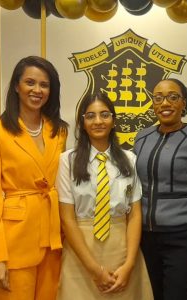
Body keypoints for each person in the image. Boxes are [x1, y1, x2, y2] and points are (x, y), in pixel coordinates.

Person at [0, 56, 68, 299]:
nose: (37, 90)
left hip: (53, 243)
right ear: (17, 86)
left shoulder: (59, 131)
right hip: (14, 243)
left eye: (44, 85)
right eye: (30, 82)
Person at [133, 78, 187, 300]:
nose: (165, 103)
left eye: (173, 97)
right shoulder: (141, 138)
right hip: (146, 240)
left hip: (186, 240)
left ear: (184, 103)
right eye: (159, 98)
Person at [56, 92, 153, 299]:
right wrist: (95, 270)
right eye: (90, 116)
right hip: (81, 254)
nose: (98, 121)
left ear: (113, 120)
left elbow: (134, 215)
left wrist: (129, 265)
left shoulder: (129, 159)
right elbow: (67, 219)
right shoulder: (67, 161)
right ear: (82, 122)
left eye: (104, 115)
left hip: (122, 251)